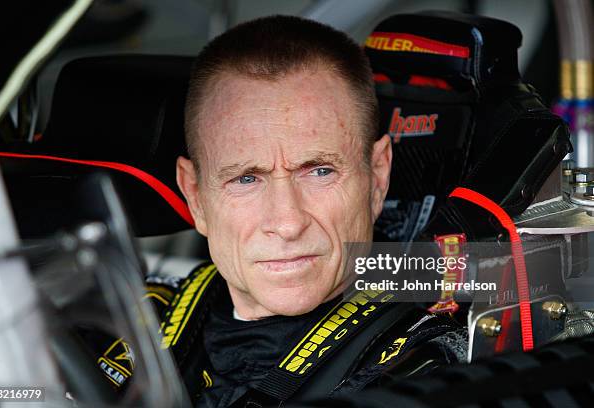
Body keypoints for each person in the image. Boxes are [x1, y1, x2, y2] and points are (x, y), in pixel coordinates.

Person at [155, 15, 465, 408]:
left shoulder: (430, 364)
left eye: (319, 171)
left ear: (377, 177)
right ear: (196, 197)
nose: (287, 223)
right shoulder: (135, 320)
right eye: (246, 179)